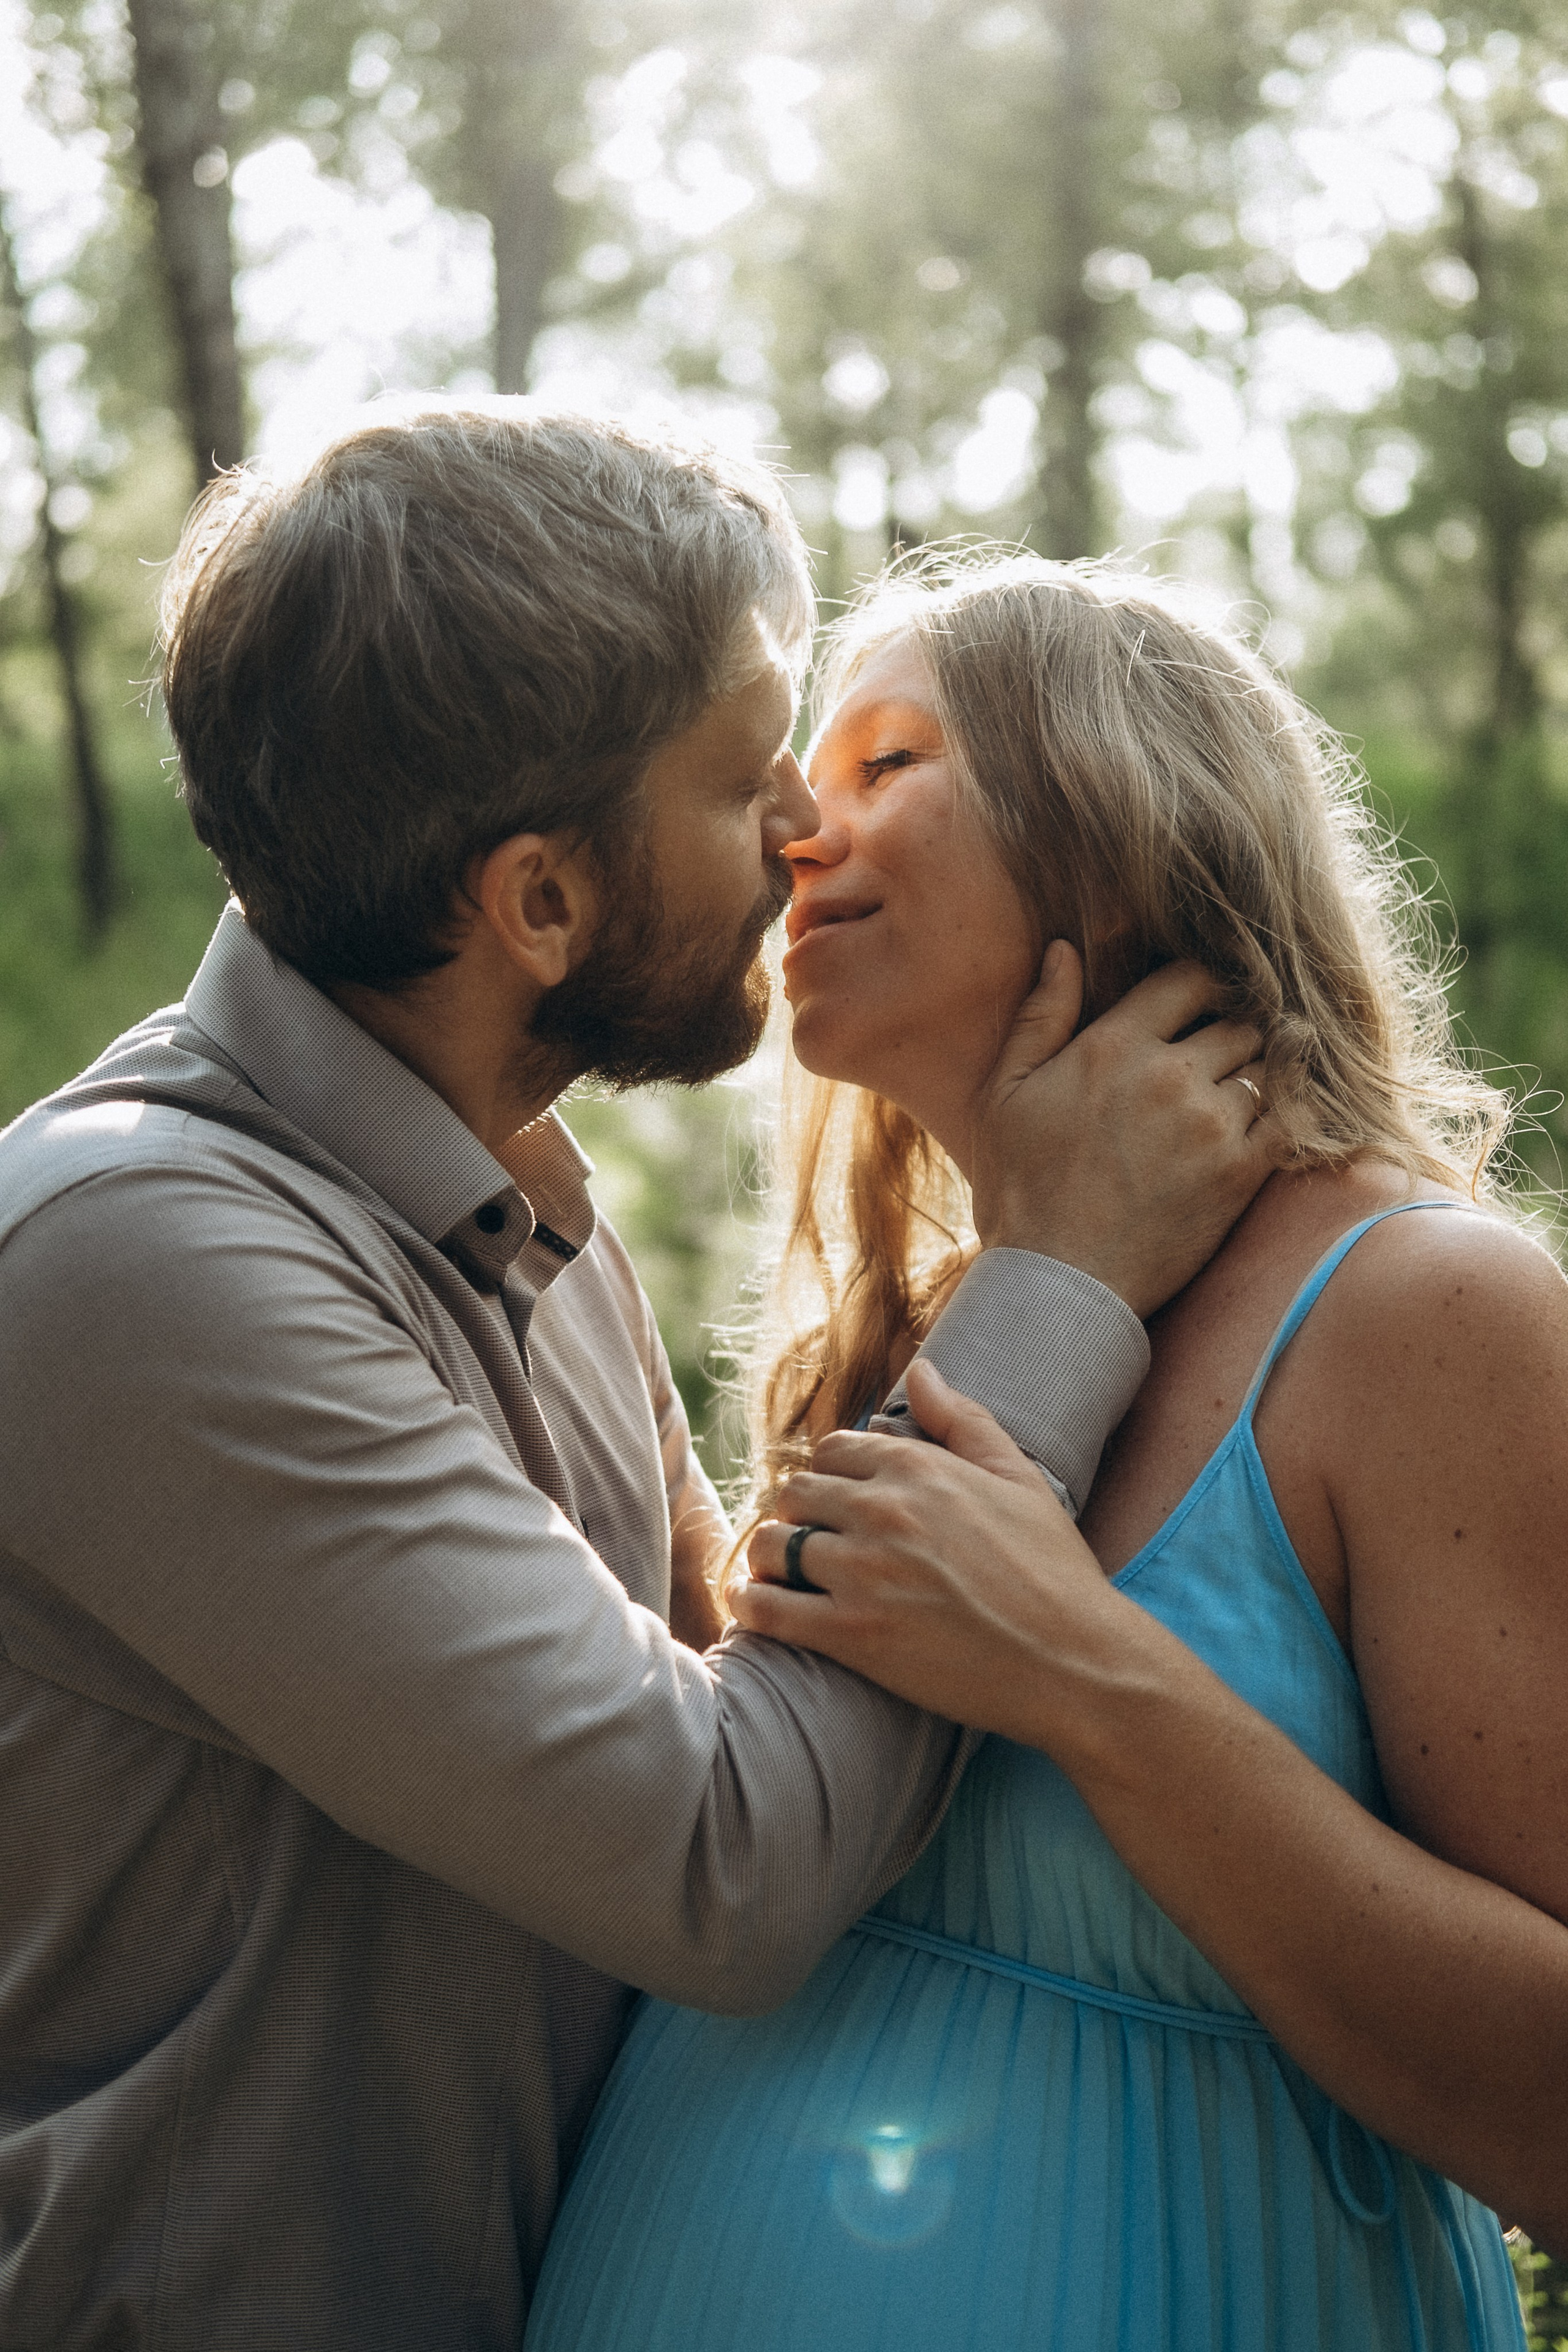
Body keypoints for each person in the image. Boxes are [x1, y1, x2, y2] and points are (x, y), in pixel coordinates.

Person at [0, 413, 1274, 2350]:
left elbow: (746, 1668)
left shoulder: (502, 1191)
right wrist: (1065, 1281)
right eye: (735, 765)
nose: (802, 824)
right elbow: (724, 1853)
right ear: (537, 903)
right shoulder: (133, 1256)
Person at [524, 554, 1568, 2352]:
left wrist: (1080, 1671)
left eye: (887, 764)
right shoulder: (941, 1328)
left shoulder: (1425, 1312)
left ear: (1114, 813)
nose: (795, 830)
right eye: (795, 782)